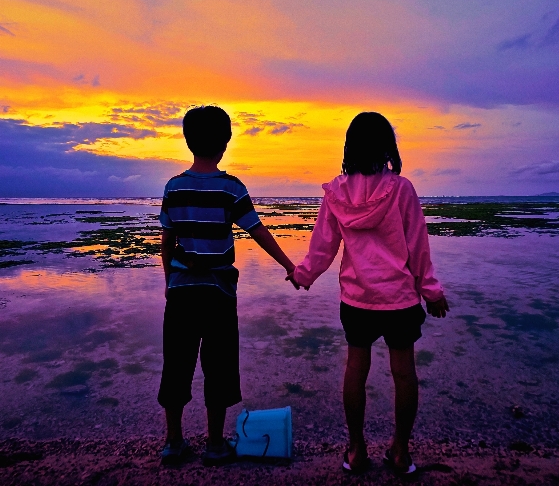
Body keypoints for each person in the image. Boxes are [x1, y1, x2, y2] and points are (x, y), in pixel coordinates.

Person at [290, 111, 449, 476]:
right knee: (405, 374)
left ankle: (357, 450)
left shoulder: (336, 192)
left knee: (355, 369)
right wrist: (431, 291)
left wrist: (303, 275)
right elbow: (418, 246)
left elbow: (322, 247)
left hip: (357, 300)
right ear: (387, 146)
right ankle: (400, 452)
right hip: (400, 299)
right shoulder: (401, 189)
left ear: (349, 146)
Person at [157, 105, 298, 467]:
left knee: (177, 362)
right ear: (225, 143)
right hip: (218, 292)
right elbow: (258, 230)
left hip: (181, 292)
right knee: (217, 365)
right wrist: (289, 265)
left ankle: (174, 443)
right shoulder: (231, 188)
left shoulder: (174, 188)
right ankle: (215, 444)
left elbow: (167, 242)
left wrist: (169, 282)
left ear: (188, 141)